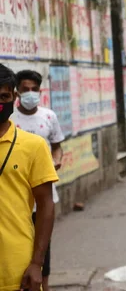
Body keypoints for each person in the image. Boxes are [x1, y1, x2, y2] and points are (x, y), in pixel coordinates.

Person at [0, 64, 58, 291]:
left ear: (14, 97)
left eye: (4, 96)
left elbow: (45, 204)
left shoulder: (33, 146)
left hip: (17, 268)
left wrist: (37, 263)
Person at [12, 70, 65, 291]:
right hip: (17, 198)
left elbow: (57, 145)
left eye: (34, 89)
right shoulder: (10, 119)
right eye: (25, 90)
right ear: (17, 92)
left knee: (42, 245)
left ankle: (44, 285)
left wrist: (56, 160)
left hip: (43, 195)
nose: (30, 94)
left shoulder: (49, 116)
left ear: (40, 91)